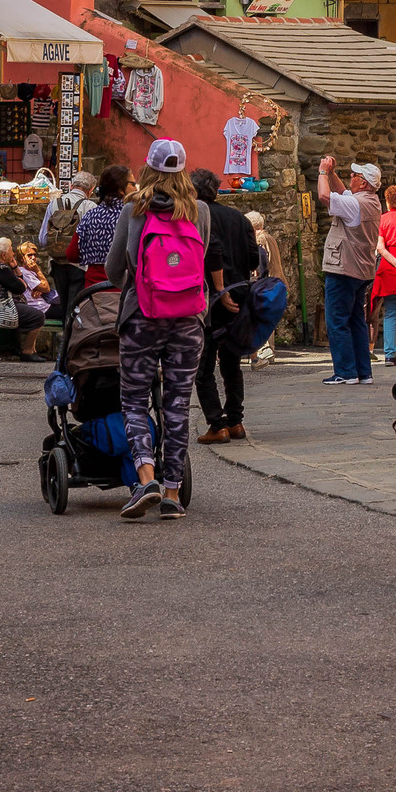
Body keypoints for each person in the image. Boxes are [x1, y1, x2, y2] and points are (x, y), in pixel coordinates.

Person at [106, 139, 218, 520]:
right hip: (188, 320)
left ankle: (145, 477)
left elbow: (112, 271)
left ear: (148, 169)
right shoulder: (200, 211)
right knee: (177, 404)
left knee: (135, 401)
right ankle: (172, 493)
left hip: (142, 316)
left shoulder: (132, 211)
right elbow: (199, 260)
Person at [191, 167, 259, 442]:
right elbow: (254, 258)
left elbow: (211, 252)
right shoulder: (238, 218)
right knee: (231, 361)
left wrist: (219, 286)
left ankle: (216, 424)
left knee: (204, 366)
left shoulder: (195, 217)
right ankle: (235, 422)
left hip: (210, 296)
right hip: (240, 294)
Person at [317, 156, 382, 387]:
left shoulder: (355, 204)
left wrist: (323, 173)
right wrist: (333, 174)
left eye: (355, 176)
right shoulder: (371, 202)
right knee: (356, 321)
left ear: (363, 183)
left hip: (343, 267)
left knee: (337, 320)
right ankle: (363, 371)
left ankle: (345, 371)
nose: (351, 178)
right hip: (361, 269)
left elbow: (325, 196)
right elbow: (344, 193)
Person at [0, 236, 52, 358]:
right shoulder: (2, 268)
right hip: (3, 307)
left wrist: (16, 269)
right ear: (3, 255)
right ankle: (28, 350)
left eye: (35, 254)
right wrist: (32, 275)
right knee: (39, 315)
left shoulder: (0, 267)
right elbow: (21, 288)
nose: (12, 254)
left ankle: (31, 350)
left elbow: (25, 287)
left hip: (3, 304)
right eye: (10, 251)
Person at [371, 184, 396, 367]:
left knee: (391, 311)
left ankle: (389, 354)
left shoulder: (383, 219)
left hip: (388, 267)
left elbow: (379, 247)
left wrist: (395, 264)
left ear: (388, 201)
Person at [75, 165, 131, 281]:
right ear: (121, 189)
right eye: (133, 184)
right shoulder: (130, 216)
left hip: (93, 287)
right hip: (122, 286)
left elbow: (72, 253)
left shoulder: (90, 215)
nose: (136, 189)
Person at [245, 210, 284, 366]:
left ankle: (265, 351)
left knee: (261, 316)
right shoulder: (269, 237)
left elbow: (261, 264)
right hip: (275, 280)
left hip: (267, 281)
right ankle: (267, 351)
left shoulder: (260, 239)